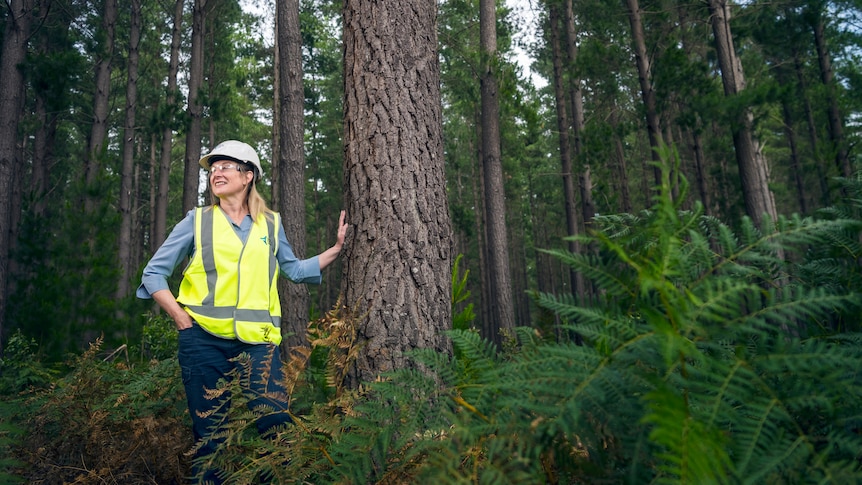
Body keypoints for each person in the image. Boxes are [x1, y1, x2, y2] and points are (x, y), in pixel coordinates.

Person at [136, 140, 347, 483]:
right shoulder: (198, 221)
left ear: (248, 176)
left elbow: (294, 270)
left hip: (258, 343)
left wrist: (336, 249)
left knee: (276, 426)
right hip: (202, 341)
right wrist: (180, 317)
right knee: (210, 437)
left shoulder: (271, 224)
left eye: (225, 167)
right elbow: (153, 273)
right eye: (212, 168)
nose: (216, 173)